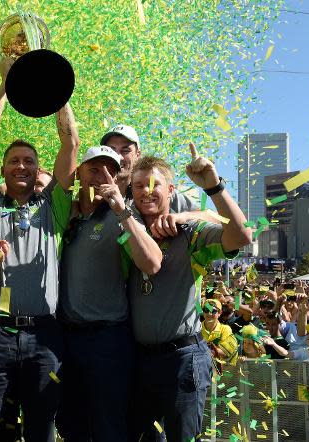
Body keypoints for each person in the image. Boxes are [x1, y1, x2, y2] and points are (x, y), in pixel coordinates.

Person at [0, 56, 78, 441]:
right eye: (13, 161)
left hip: (44, 336)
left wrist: (58, 91)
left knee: (41, 432)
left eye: (29, 161)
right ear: (3, 168)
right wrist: (7, 84)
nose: (21, 166)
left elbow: (71, 142)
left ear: (36, 167)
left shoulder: (54, 206)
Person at [127, 145, 252, 441]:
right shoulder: (126, 230)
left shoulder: (190, 232)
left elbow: (243, 234)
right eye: (139, 185)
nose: (146, 191)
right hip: (139, 360)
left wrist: (213, 185)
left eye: (154, 184)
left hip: (182, 358)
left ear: (171, 189)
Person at [56, 146, 162, 441]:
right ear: (78, 173)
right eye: (94, 169)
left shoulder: (121, 217)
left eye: (111, 172)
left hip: (107, 340)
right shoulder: (65, 212)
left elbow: (151, 263)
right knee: (70, 424)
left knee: (109, 426)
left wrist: (121, 211)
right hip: (65, 338)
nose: (103, 177)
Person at [98, 125, 223, 238]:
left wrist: (182, 217)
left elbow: (217, 218)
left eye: (125, 150)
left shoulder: (159, 194)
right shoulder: (94, 194)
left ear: (138, 154)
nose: (118, 156)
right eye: (112, 150)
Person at [201, 299, 239, 366]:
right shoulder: (196, 329)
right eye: (206, 310)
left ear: (220, 313)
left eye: (213, 311)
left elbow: (225, 352)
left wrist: (200, 351)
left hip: (220, 373)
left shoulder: (225, 329)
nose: (209, 314)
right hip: (201, 370)